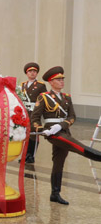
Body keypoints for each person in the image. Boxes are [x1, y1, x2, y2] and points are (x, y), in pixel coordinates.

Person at [31, 66, 101, 205]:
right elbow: (34, 118)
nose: (62, 81)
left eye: (62, 79)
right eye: (58, 79)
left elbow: (72, 116)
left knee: (59, 163)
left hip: (63, 131)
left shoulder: (67, 97)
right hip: (52, 133)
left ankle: (55, 194)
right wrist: (42, 129)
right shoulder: (43, 97)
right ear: (51, 82)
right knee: (76, 145)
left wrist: (62, 125)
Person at [20, 62, 48, 164]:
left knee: (34, 133)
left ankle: (31, 155)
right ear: (26, 73)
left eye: (34, 71)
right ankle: (25, 155)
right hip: (25, 112)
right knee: (25, 133)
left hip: (35, 112)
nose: (32, 73)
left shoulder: (40, 85)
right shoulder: (23, 85)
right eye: (30, 71)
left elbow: (44, 99)